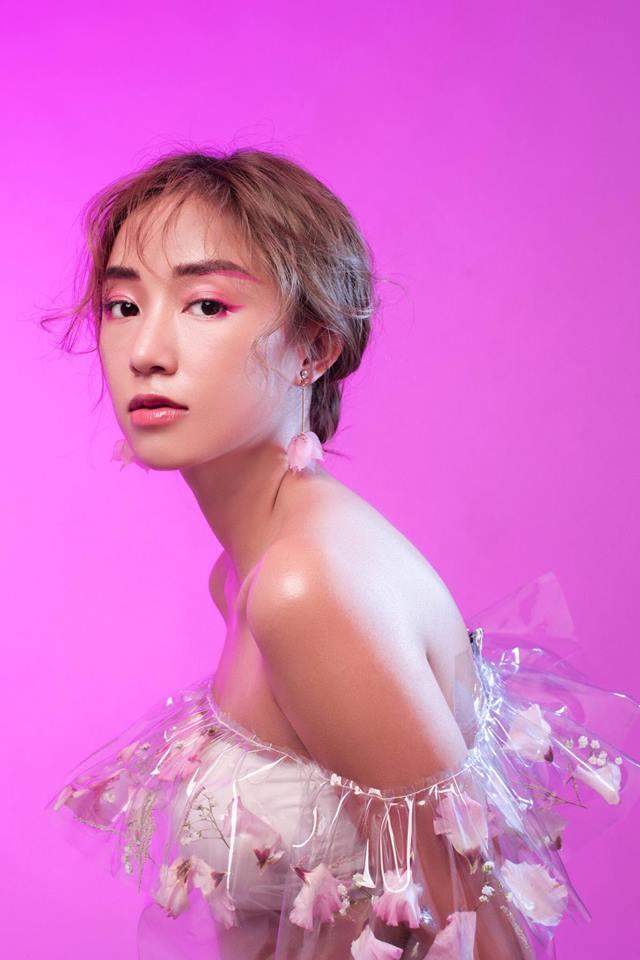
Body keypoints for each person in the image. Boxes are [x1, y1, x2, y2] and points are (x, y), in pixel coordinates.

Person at [43, 148, 640, 959]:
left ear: (314, 349)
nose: (146, 349)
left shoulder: (307, 586)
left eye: (207, 304)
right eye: (122, 304)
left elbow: (492, 941)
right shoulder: (248, 568)